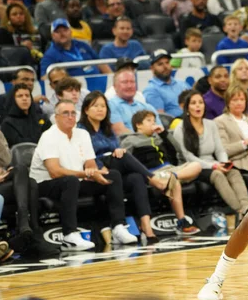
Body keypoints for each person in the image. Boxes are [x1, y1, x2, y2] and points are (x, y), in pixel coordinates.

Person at [29, 99, 138, 251]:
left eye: (73, 113)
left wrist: (95, 174)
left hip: (74, 180)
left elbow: (90, 164)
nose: (70, 116)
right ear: (56, 117)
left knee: (112, 176)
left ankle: (118, 227)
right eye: (65, 113)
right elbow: (54, 171)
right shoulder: (49, 136)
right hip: (45, 184)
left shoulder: (82, 134)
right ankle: (69, 236)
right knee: (71, 181)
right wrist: (85, 173)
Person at [78, 91, 185, 243]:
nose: (100, 109)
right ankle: (155, 180)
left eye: (103, 106)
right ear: (86, 109)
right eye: (96, 106)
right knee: (126, 157)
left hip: (113, 169)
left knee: (135, 177)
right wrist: (100, 166)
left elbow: (116, 149)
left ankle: (147, 228)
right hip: (95, 169)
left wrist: (119, 151)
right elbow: (82, 155)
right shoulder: (81, 130)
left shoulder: (107, 129)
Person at [173, 90, 248, 219]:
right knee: (217, 175)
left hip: (214, 163)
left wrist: (224, 163)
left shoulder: (211, 124)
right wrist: (214, 165)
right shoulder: (180, 129)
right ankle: (241, 210)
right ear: (187, 108)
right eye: (193, 103)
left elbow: (220, 150)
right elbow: (189, 157)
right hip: (190, 168)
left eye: (200, 102)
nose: (198, 106)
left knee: (234, 172)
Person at [0, 110, 41, 245]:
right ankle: (32, 230)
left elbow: (7, 160)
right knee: (30, 183)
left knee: (20, 168)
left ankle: (25, 223)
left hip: (1, 181)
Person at [39, 18, 111, 79]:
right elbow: (44, 78)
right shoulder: (49, 55)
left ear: (71, 32)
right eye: (57, 31)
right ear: (52, 36)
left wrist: (111, 78)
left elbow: (100, 63)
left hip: (96, 80)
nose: (62, 34)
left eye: (65, 30)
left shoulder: (83, 45)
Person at [108, 69, 162, 135]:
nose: (129, 86)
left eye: (132, 82)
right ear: (115, 87)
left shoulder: (148, 107)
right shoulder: (110, 106)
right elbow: (120, 132)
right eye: (125, 82)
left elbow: (160, 131)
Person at [143, 49, 191, 116]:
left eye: (167, 62)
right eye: (160, 64)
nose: (165, 67)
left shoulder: (182, 84)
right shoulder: (151, 90)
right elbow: (161, 118)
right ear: (152, 68)